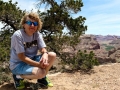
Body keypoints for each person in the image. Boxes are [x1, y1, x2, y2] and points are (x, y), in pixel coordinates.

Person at [9, 12, 56, 89]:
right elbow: (21, 57)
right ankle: (18, 77)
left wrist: (45, 53)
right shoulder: (18, 35)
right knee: (41, 72)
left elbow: (42, 48)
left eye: (35, 23)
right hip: (18, 64)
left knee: (52, 55)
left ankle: (41, 79)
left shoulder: (37, 34)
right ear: (24, 24)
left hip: (31, 60)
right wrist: (38, 65)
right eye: (29, 22)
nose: (32, 25)